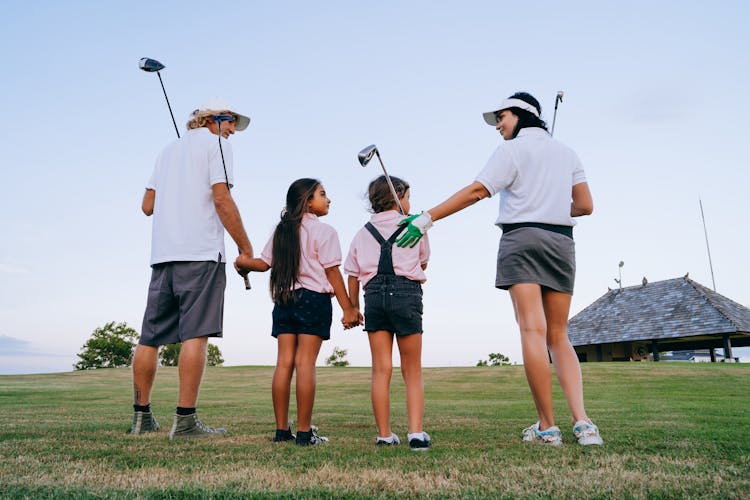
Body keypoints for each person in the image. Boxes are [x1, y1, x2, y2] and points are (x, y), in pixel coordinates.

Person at [397, 92, 603, 446]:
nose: (498, 126)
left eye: (502, 117)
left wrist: (427, 218)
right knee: (559, 335)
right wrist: (551, 200)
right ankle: (584, 425)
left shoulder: (511, 151)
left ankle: (547, 428)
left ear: (522, 114)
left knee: (532, 332)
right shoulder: (567, 152)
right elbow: (584, 206)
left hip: (521, 238)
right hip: (560, 242)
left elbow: (478, 191)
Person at [130, 98, 254, 440]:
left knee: (150, 337)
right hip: (200, 253)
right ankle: (184, 422)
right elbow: (222, 199)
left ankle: (142, 419)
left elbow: (147, 205)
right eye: (229, 121)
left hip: (163, 256)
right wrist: (245, 247)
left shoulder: (167, 151)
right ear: (210, 119)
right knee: (195, 334)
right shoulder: (219, 147)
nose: (232, 130)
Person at [237, 178, 360, 446]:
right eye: (323, 194)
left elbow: (263, 263)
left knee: (284, 364)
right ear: (307, 201)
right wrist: (348, 308)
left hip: (284, 299)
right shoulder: (325, 232)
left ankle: (282, 431)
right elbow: (331, 272)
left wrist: (243, 263)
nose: (328, 200)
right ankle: (304, 433)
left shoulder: (281, 231)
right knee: (305, 364)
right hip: (313, 299)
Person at [344, 175, 432, 451]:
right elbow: (423, 263)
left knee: (381, 369)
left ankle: (384, 435)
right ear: (399, 197)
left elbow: (353, 274)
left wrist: (354, 306)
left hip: (373, 298)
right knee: (412, 370)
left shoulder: (362, 232)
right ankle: (416, 434)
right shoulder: (415, 227)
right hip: (406, 294)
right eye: (407, 196)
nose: (410, 202)